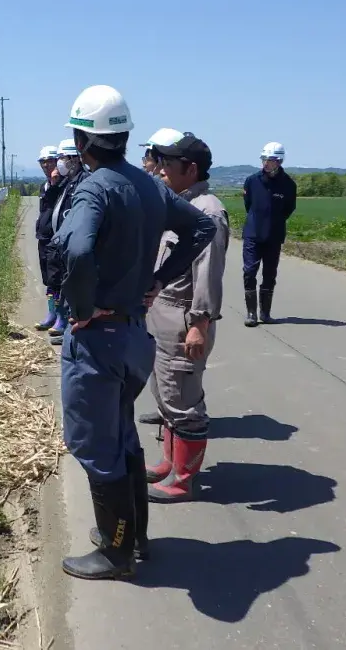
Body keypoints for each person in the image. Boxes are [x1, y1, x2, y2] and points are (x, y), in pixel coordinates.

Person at [52, 85, 217, 580]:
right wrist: (158, 279)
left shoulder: (94, 186)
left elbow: (78, 251)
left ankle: (116, 552)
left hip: (97, 338)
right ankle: (134, 536)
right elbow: (200, 231)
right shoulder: (148, 185)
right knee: (122, 434)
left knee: (96, 444)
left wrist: (81, 308)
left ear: (83, 139)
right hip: (132, 337)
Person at [135, 129, 230, 503]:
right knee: (166, 396)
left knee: (184, 402)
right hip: (163, 316)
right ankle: (169, 462)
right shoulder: (178, 204)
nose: (160, 171)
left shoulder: (207, 211)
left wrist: (200, 325)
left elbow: (207, 275)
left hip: (184, 322)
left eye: (167, 164)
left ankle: (184, 478)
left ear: (189, 169)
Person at [241, 141, 297, 327]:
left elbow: (289, 209)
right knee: (249, 272)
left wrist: (275, 222)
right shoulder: (251, 181)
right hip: (253, 233)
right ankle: (251, 313)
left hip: (274, 235)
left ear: (279, 161)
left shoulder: (288, 184)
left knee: (269, 274)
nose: (266, 163)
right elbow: (248, 204)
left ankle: (265, 313)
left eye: (270, 160)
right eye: (264, 159)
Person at [43, 139, 88, 345]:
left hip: (72, 245)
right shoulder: (66, 181)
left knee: (71, 287)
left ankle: (69, 328)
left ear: (73, 159)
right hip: (60, 244)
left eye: (61, 158)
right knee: (59, 284)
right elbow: (51, 205)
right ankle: (65, 324)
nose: (57, 162)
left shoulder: (83, 181)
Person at [34, 146, 63, 330]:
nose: (46, 165)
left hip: (56, 239)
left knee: (57, 278)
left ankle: (61, 316)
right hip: (43, 238)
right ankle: (51, 313)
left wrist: (54, 184)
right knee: (48, 278)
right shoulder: (44, 186)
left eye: (50, 161)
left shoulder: (62, 186)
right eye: (43, 162)